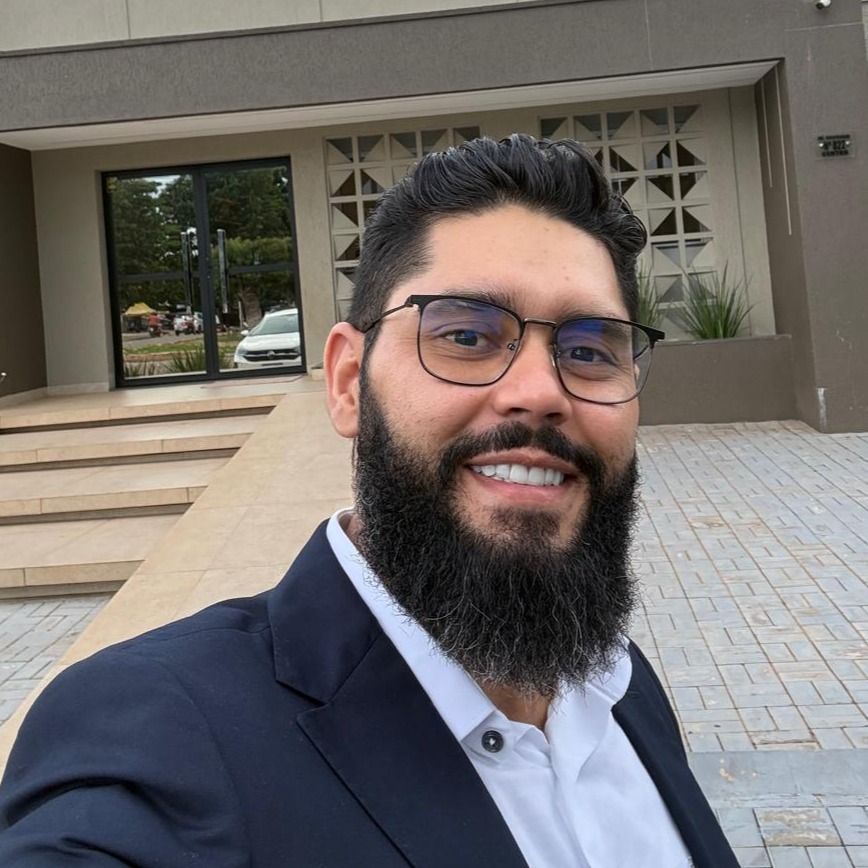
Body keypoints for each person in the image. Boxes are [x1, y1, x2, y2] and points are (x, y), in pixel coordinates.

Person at [0, 135, 738, 866]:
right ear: (349, 382)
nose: (540, 392)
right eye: (466, 334)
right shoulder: (161, 734)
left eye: (587, 350)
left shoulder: (618, 685)